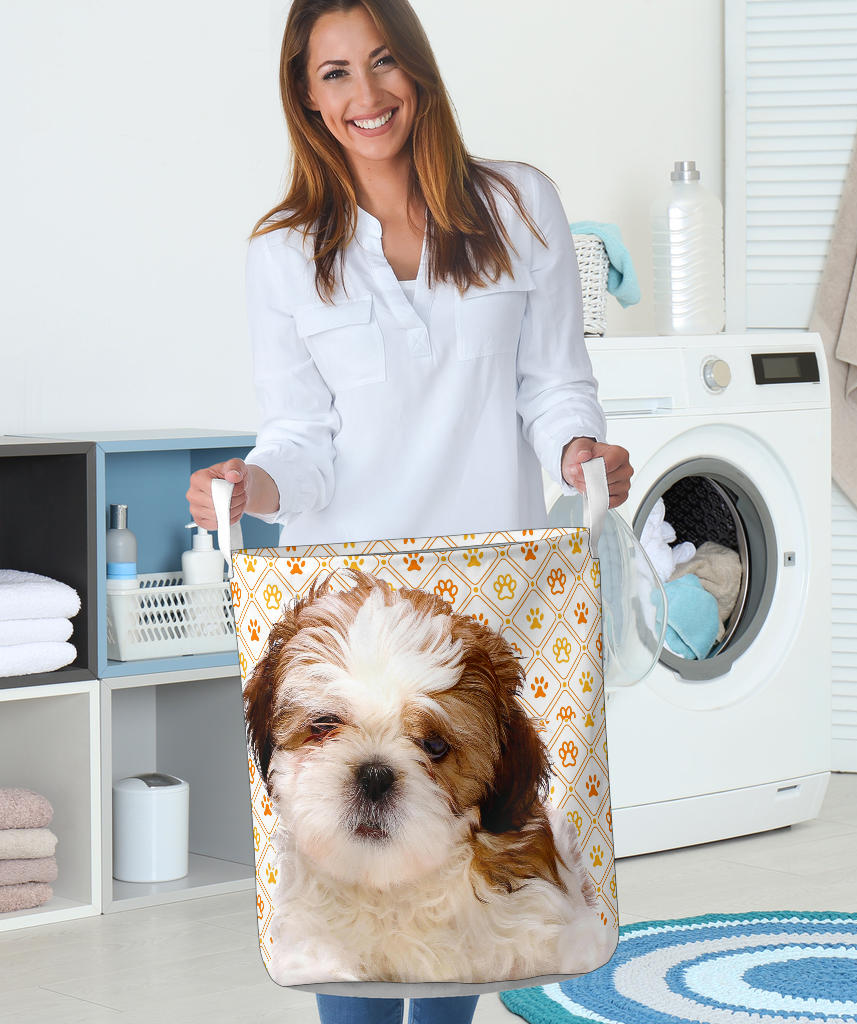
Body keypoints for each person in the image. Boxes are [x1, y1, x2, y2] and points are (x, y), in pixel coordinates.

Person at [187, 1, 632, 1021]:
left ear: (418, 70)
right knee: (344, 922)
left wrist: (575, 449)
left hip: (481, 597)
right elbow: (301, 438)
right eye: (334, 73)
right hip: (342, 604)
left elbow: (553, 384)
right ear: (307, 97)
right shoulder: (285, 252)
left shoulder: (521, 206)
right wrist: (248, 485)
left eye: (382, 63)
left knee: (460, 916)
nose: (365, 94)